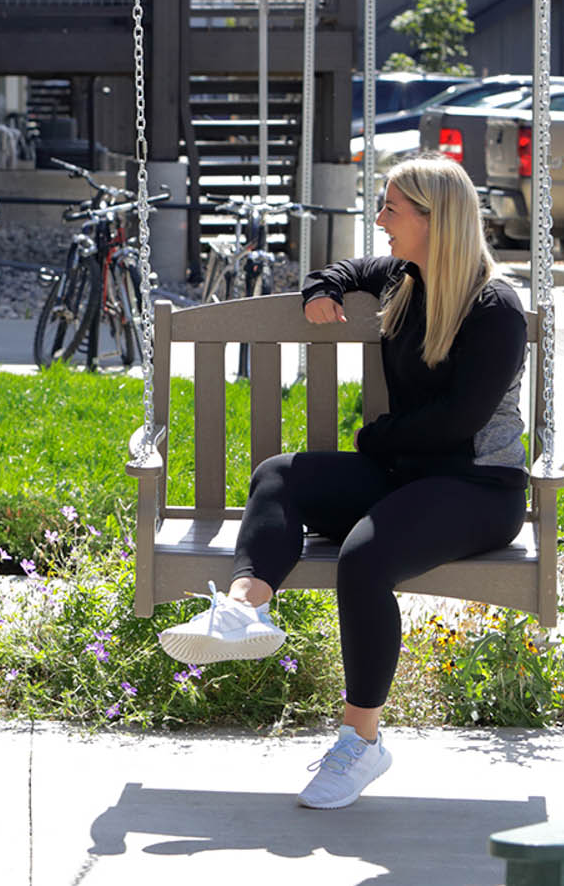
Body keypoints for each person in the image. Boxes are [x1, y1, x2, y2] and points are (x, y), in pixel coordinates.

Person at [156, 155, 528, 809]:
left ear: (433, 220)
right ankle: (244, 609)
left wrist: (373, 441)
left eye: (390, 209)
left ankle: (362, 742)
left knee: (363, 558)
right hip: (406, 476)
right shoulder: (405, 279)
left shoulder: (494, 306)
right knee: (281, 475)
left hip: (477, 488)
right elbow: (348, 270)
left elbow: (459, 420)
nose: (379, 220)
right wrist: (320, 290)